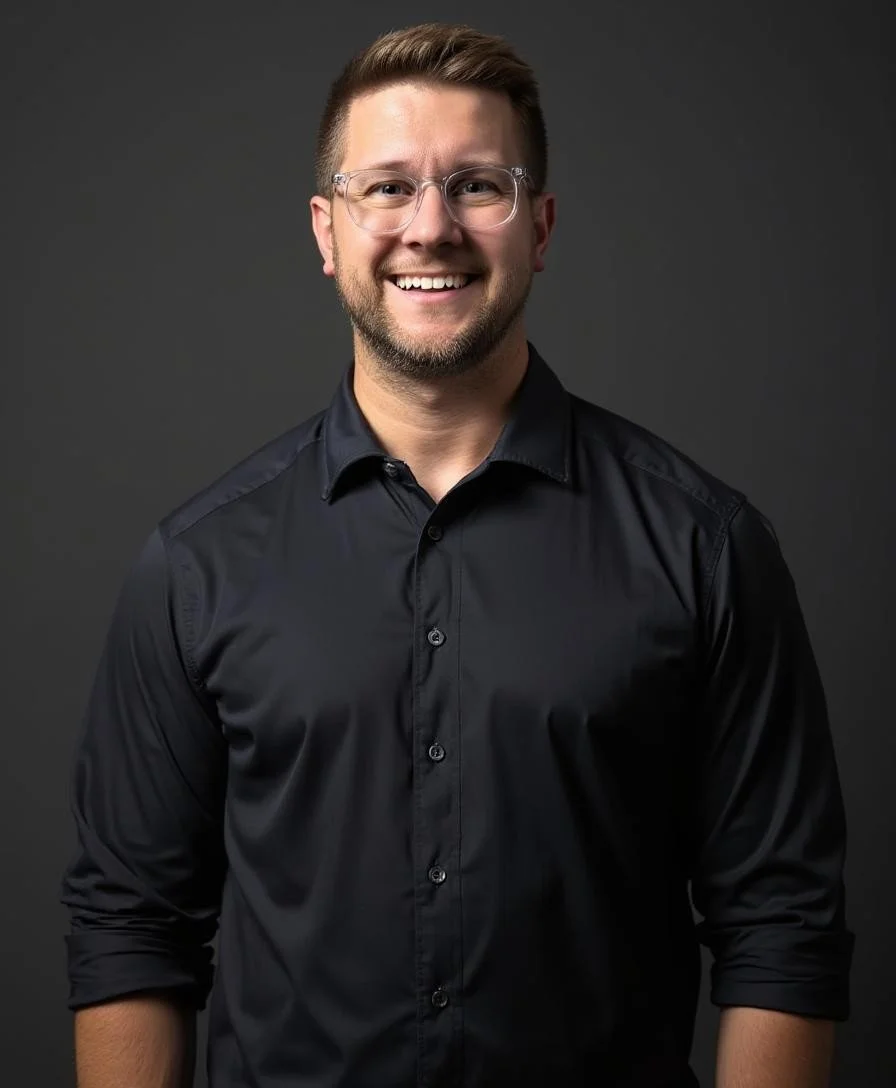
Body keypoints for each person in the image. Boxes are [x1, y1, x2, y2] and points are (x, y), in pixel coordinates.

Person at [60, 21, 854, 1088]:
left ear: (540, 224)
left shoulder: (705, 544)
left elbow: (781, 929)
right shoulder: (197, 563)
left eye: (476, 184)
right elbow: (131, 929)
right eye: (385, 188)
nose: (428, 228)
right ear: (325, 229)